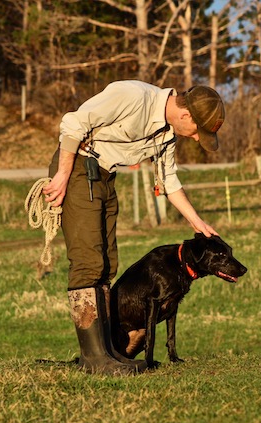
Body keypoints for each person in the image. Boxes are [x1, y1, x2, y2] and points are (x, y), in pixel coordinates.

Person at [44, 80, 225, 375]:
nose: (195, 138)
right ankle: (93, 359)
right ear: (187, 116)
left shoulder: (167, 133)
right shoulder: (133, 96)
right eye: (196, 132)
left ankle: (109, 353)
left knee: (107, 263)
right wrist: (63, 175)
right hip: (78, 167)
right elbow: (73, 123)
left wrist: (198, 222)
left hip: (103, 175)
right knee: (88, 261)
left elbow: (169, 181)